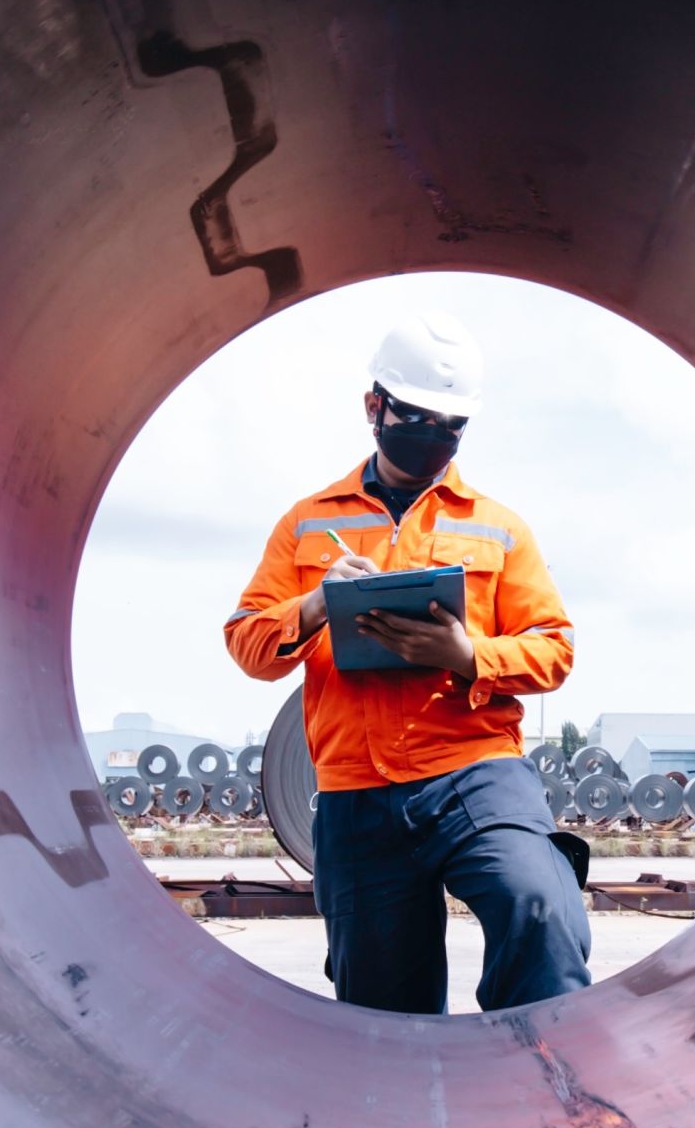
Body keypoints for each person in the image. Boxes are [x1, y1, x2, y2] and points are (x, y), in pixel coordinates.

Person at [225, 311, 592, 1011]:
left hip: (474, 771)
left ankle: (541, 1086)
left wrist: (467, 653)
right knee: (382, 1007)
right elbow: (247, 641)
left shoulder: (500, 526)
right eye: (418, 418)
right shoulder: (308, 522)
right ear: (375, 408)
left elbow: (555, 648)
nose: (434, 437)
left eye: (451, 426)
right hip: (357, 785)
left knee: (539, 905)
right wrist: (317, 605)